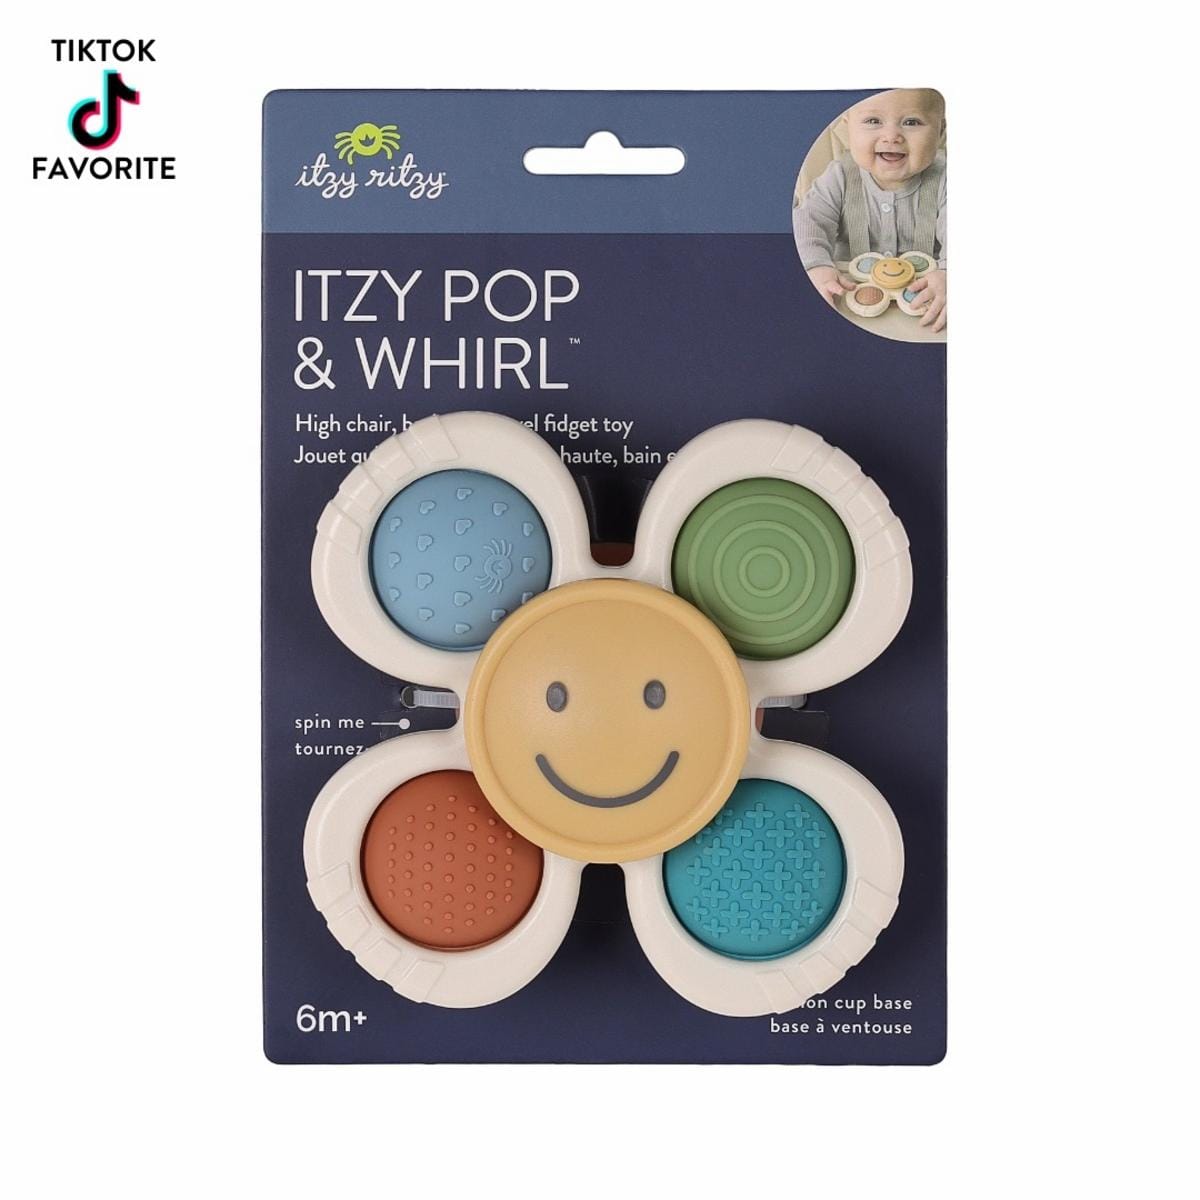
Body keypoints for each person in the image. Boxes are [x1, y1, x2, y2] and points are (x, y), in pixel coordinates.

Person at [794, 89, 947, 331]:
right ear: (848, 127)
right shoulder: (840, 176)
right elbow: (807, 223)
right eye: (873, 121)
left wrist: (949, 273)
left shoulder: (947, 179)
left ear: (940, 130)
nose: (892, 136)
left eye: (911, 122)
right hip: (850, 296)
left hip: (924, 303)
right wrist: (816, 267)